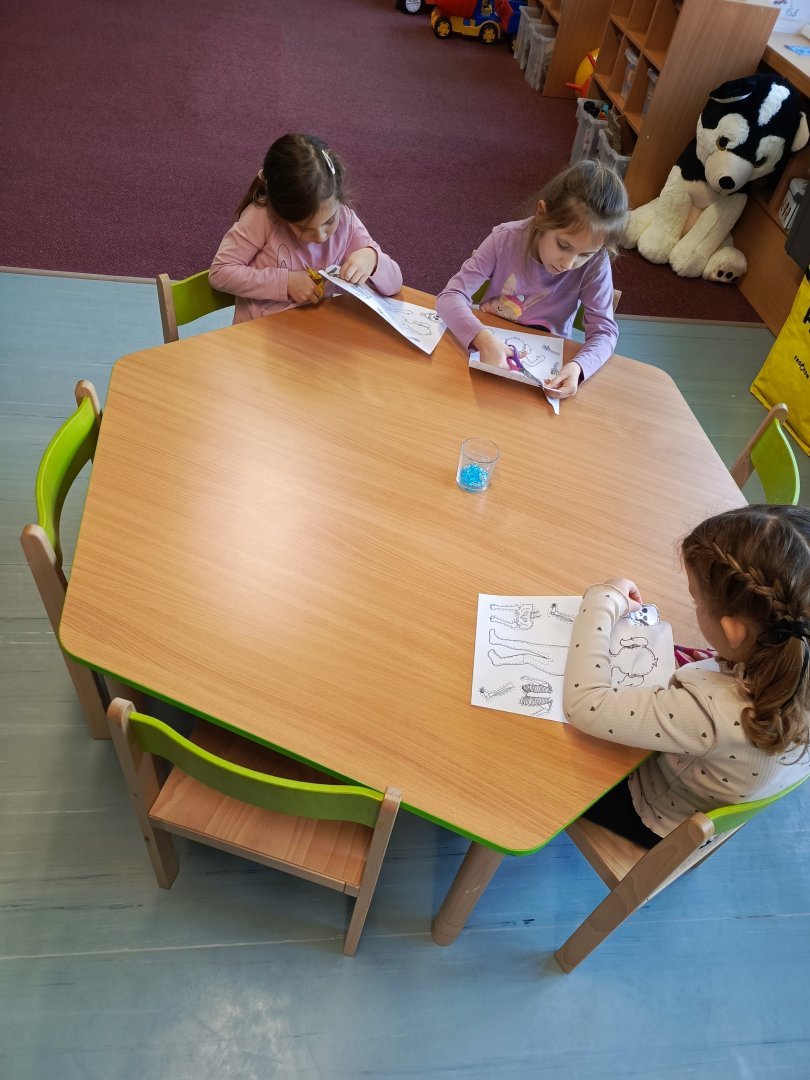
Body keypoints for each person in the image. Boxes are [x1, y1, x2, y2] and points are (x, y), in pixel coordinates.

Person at [563, 505, 810, 848]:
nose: (695, 606)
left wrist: (603, 600)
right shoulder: (793, 653)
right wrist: (721, 663)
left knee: (537, 754)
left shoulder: (713, 713)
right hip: (707, 788)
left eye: (696, 600)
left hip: (649, 812)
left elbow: (585, 705)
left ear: (735, 632)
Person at [435, 160, 628, 399]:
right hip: (486, 351)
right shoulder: (504, 239)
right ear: (542, 213)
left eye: (585, 254)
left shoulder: (596, 264)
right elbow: (449, 297)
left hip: (544, 370)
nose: (568, 264)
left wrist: (578, 368)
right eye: (563, 245)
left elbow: (604, 333)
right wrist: (483, 340)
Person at [210, 133, 402, 323]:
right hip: (256, 334)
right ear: (281, 213)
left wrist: (372, 258)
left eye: (329, 221)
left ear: (339, 199)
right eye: (304, 228)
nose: (321, 237)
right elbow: (220, 272)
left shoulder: (346, 222)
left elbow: (394, 284)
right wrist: (286, 283)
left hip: (313, 331)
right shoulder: (262, 217)